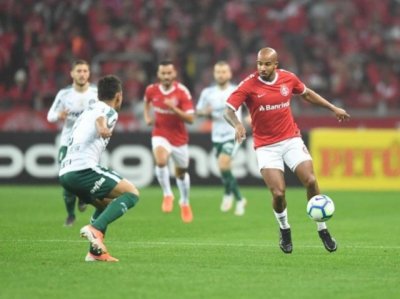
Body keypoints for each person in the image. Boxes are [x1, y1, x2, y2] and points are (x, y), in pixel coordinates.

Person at [224, 47, 350, 254]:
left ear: (276, 65)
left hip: (290, 139)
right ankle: (284, 230)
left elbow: (307, 94)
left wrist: (333, 108)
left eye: (266, 64)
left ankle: (322, 229)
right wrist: (237, 124)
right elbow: (228, 110)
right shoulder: (248, 85)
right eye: (259, 64)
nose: (262, 68)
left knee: (310, 180)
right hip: (266, 146)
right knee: (278, 193)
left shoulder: (288, 79)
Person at [59, 75, 139, 262]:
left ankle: (95, 253)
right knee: (132, 193)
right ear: (119, 96)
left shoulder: (89, 109)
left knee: (104, 206)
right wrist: (103, 128)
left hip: (66, 173)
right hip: (83, 169)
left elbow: (96, 117)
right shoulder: (108, 110)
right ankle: (94, 230)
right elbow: (101, 119)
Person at [47, 59, 98, 227]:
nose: (82, 74)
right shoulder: (64, 94)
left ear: (89, 73)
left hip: (88, 143)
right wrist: (59, 115)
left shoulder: (96, 93)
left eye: (85, 71)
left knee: (86, 177)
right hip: (68, 143)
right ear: (72, 74)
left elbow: (105, 113)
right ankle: (71, 215)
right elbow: (50, 116)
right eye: (79, 71)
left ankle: (83, 197)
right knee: (66, 180)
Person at [143, 60, 195, 223]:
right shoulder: (151, 90)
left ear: (174, 74)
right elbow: (146, 102)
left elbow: (191, 119)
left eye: (169, 73)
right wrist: (147, 116)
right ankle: (167, 194)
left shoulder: (182, 92)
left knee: (181, 174)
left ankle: (185, 202)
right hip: (160, 133)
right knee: (160, 160)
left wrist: (174, 109)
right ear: (158, 75)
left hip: (179, 138)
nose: (166, 76)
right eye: (163, 73)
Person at [196, 61, 247, 216]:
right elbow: (198, 111)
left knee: (223, 164)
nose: (221, 74)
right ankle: (238, 197)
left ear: (230, 74)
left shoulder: (237, 90)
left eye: (224, 72)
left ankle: (230, 196)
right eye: (218, 72)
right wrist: (206, 112)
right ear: (214, 74)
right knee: (223, 168)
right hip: (216, 135)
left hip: (234, 134)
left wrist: (250, 117)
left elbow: (250, 106)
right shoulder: (207, 92)